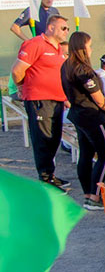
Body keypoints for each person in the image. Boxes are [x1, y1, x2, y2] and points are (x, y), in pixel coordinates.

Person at [11, 14, 71, 190]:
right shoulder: (35, 44)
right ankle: (45, 179)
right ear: (51, 27)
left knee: (53, 138)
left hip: (57, 100)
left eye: (67, 28)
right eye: (63, 28)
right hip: (40, 100)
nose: (66, 31)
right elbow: (17, 71)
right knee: (43, 139)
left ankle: (50, 175)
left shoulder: (59, 49)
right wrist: (23, 86)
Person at [60, 31, 105, 210]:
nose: (91, 49)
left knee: (86, 154)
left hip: (78, 115)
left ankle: (88, 194)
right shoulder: (84, 71)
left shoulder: (66, 66)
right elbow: (98, 98)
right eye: (89, 46)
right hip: (92, 116)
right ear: (83, 48)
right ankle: (94, 198)